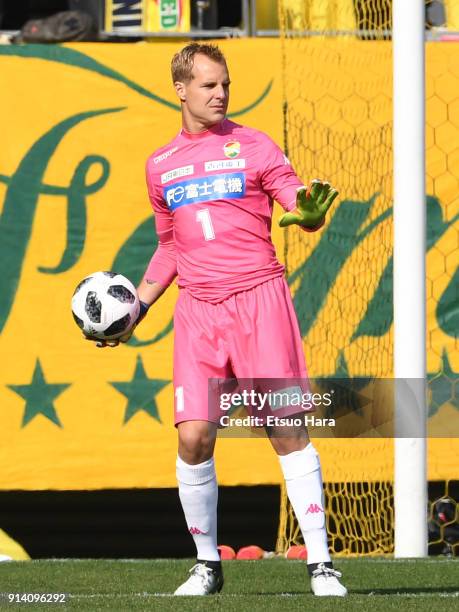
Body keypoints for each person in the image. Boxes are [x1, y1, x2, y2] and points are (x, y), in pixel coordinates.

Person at [87, 42, 347, 597]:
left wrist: (308, 211)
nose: (220, 93)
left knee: (286, 429)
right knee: (195, 438)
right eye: (208, 85)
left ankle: (322, 565)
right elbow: (168, 249)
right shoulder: (160, 166)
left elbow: (293, 195)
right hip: (198, 312)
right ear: (180, 89)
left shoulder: (254, 146)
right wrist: (137, 310)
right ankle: (207, 565)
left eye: (224, 83)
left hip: (259, 299)